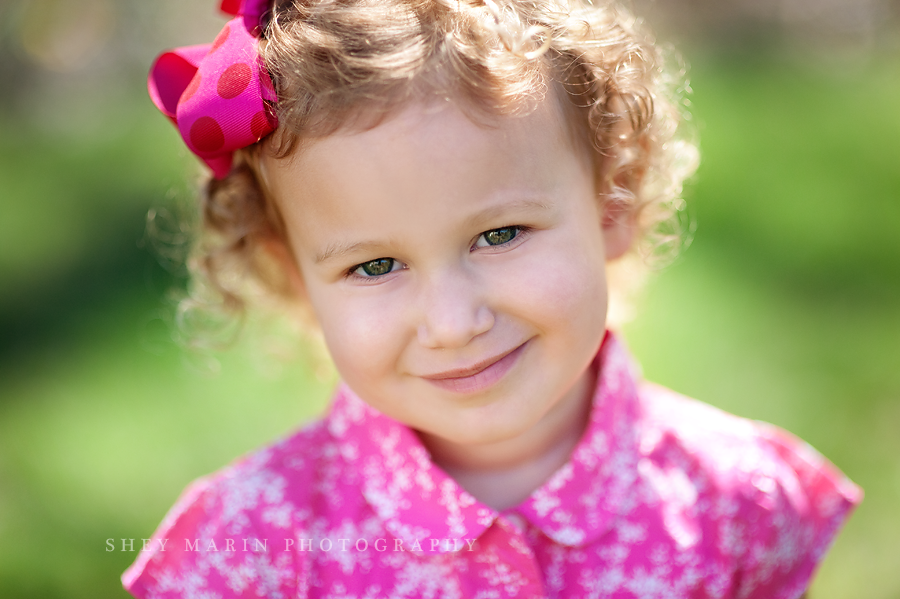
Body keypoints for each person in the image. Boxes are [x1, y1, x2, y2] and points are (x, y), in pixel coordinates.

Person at [124, 0, 861, 597]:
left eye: (501, 233)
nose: (453, 322)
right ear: (293, 276)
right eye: (376, 264)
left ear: (613, 207)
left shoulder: (736, 501)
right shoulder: (248, 548)